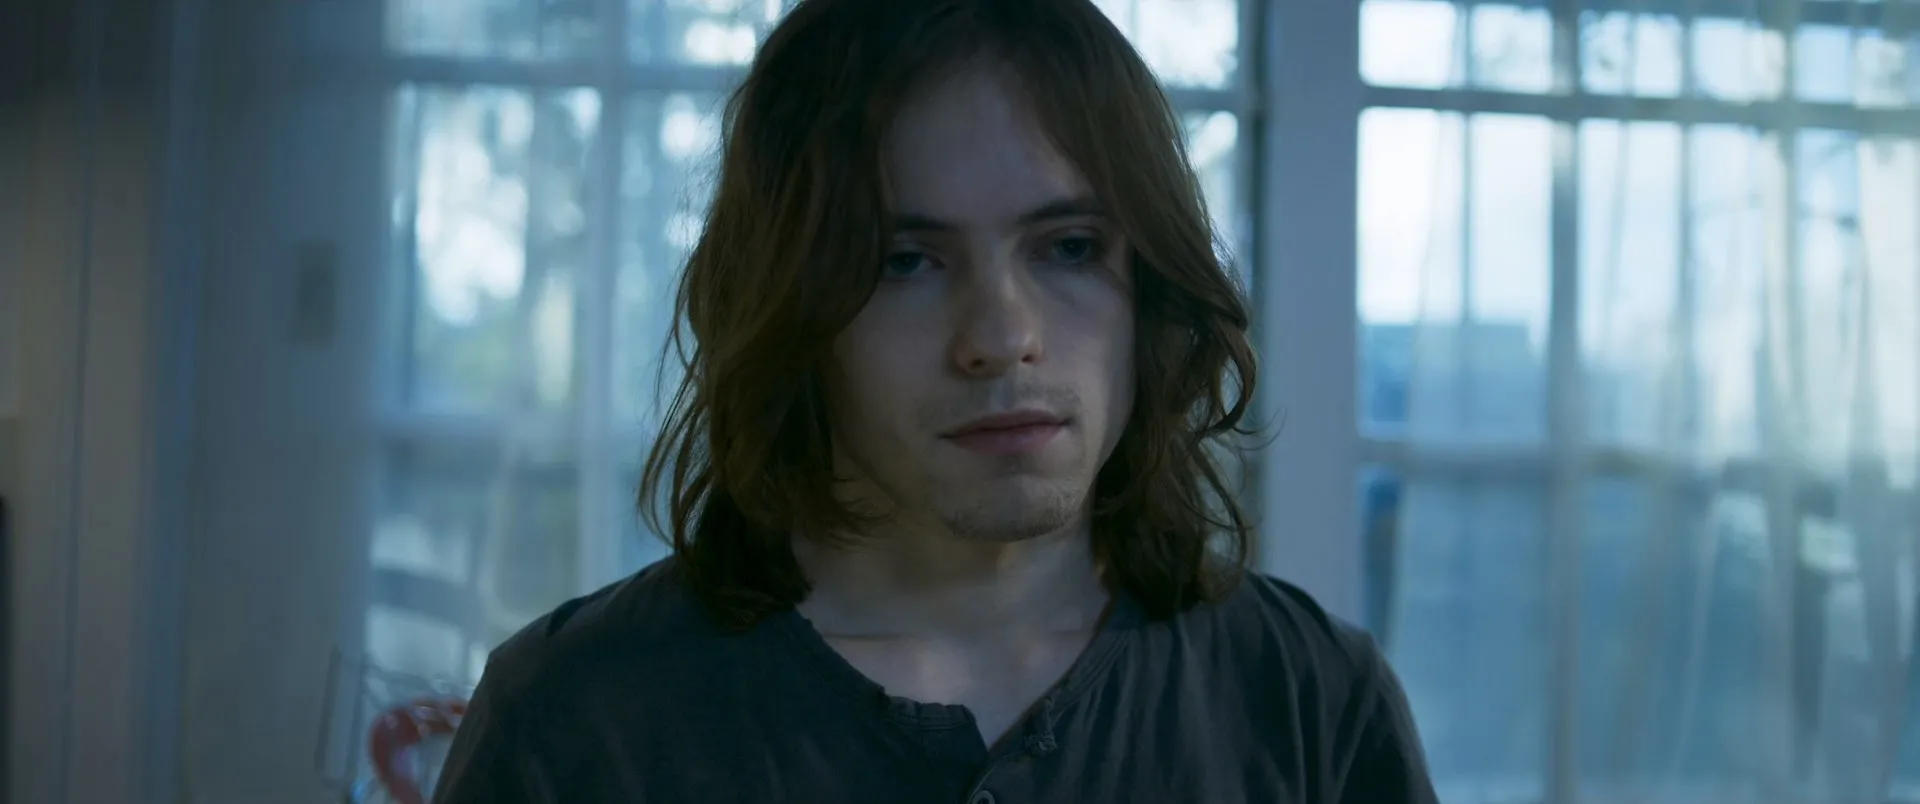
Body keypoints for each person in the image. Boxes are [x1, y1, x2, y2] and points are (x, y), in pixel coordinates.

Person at [432, 0, 1437, 801]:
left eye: (1069, 248)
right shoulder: (582, 718)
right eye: (905, 262)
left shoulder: (1306, 701)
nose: (1001, 335)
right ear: (791, 309)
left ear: (1151, 288)